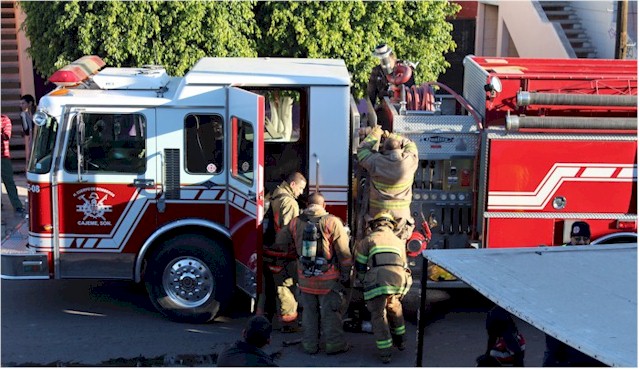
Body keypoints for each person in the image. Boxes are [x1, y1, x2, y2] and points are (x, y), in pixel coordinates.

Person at [271, 192, 352, 355]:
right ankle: (334, 345)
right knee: (330, 313)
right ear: (324, 206)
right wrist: (346, 274)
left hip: (305, 278)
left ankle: (309, 345)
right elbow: (344, 253)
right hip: (328, 279)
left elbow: (280, 241)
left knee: (309, 313)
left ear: (307, 205)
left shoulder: (295, 222)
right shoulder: (333, 222)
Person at [354, 211, 412, 363]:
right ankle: (401, 341)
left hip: (378, 281)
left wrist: (362, 280)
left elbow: (360, 265)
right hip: (399, 280)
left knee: (379, 315)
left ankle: (385, 353)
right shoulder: (398, 241)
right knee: (394, 307)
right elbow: (404, 264)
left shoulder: (369, 239)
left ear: (375, 224)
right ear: (390, 225)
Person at [259, 172, 307, 333]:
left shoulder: (272, 196)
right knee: (285, 288)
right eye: (300, 188)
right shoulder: (289, 202)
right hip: (282, 254)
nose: (301, 193)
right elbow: (288, 230)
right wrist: (295, 250)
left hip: (269, 251)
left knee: (268, 289)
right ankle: (289, 324)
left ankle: (261, 321)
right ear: (292, 185)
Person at [357, 126, 418, 243]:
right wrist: (391, 135)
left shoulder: (375, 161)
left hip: (378, 211)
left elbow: (361, 150)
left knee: (377, 241)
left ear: (384, 149)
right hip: (401, 214)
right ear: (400, 148)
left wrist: (375, 134)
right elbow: (410, 144)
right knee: (399, 245)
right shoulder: (410, 161)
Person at [1, 115, 25, 215]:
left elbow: (7, 136)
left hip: (3, 156)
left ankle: (17, 205)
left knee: (9, 182)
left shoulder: (4, 119)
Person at [19, 94, 37, 166]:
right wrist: (23, 117)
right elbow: (26, 131)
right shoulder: (25, 114)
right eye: (20, 104)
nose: (21, 105)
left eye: (23, 103)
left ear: (30, 103)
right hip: (32, 140)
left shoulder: (38, 112)